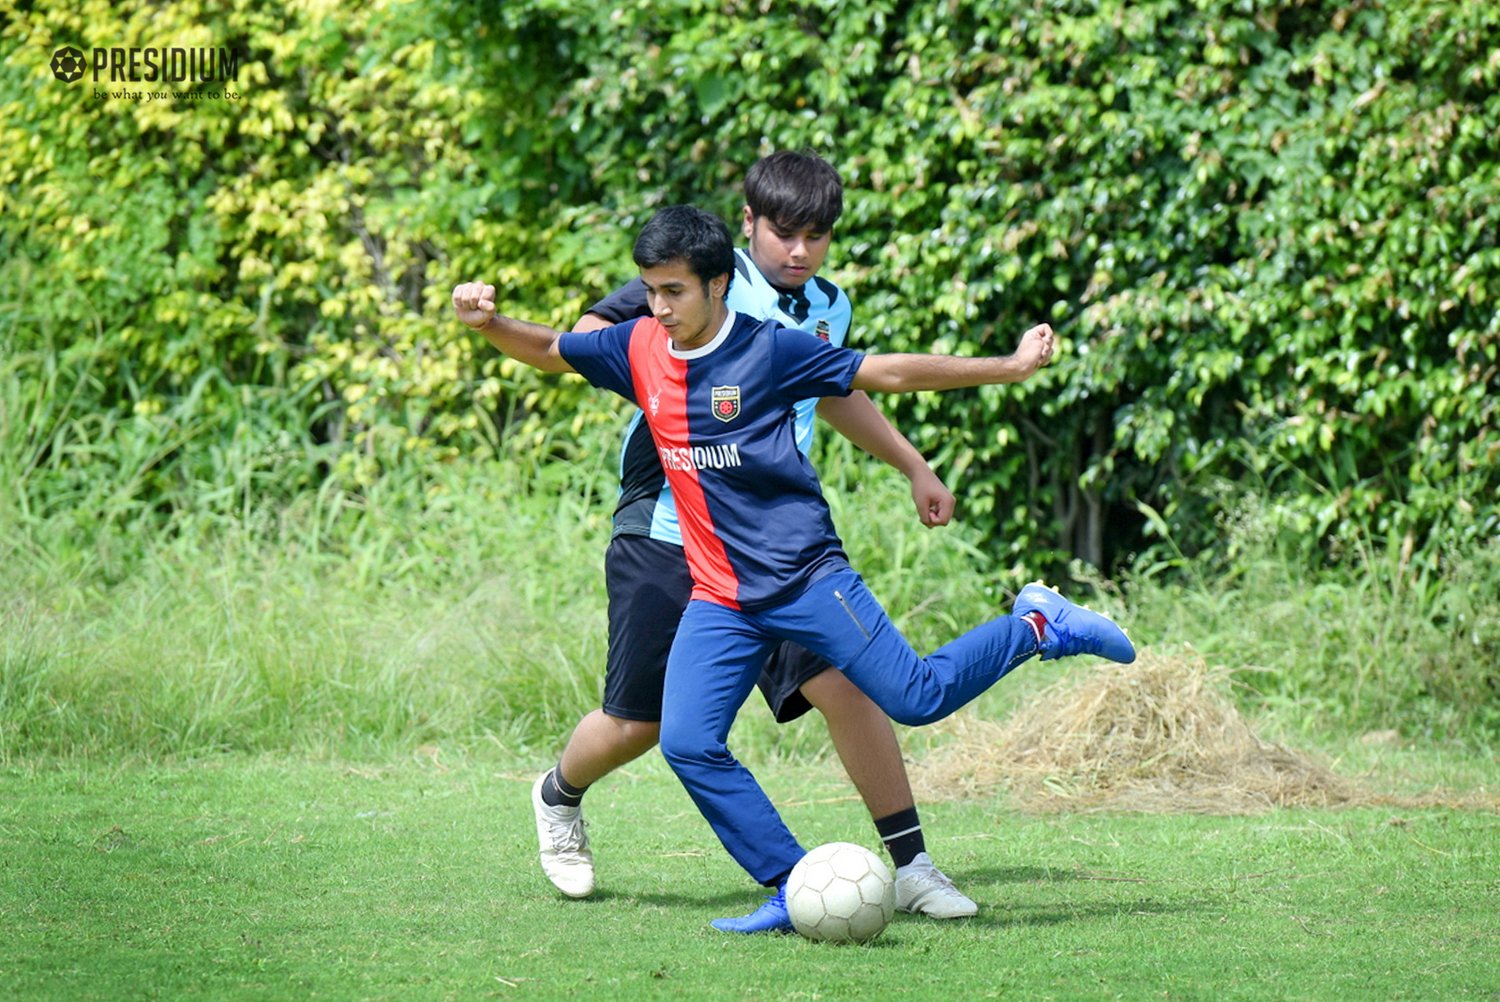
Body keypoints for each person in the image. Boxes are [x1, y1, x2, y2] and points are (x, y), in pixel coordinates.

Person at [451, 204, 1136, 934]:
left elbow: (888, 373)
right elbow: (557, 348)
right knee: (685, 741)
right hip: (721, 596)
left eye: (674, 291)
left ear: (718, 285)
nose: (658, 307)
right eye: (651, 290)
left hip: (806, 579)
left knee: (918, 697)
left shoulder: (774, 350)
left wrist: (1007, 367)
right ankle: (789, 882)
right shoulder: (640, 346)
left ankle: (1037, 622)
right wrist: (489, 325)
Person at [532, 151, 975, 920]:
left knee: (846, 685)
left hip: (773, 547)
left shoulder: (825, 307)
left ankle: (912, 867)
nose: (799, 251)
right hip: (667, 533)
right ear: (748, 227)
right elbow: (589, 334)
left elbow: (836, 393)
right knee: (643, 723)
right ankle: (558, 796)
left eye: (817, 236)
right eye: (783, 233)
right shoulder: (694, 270)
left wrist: (914, 464)